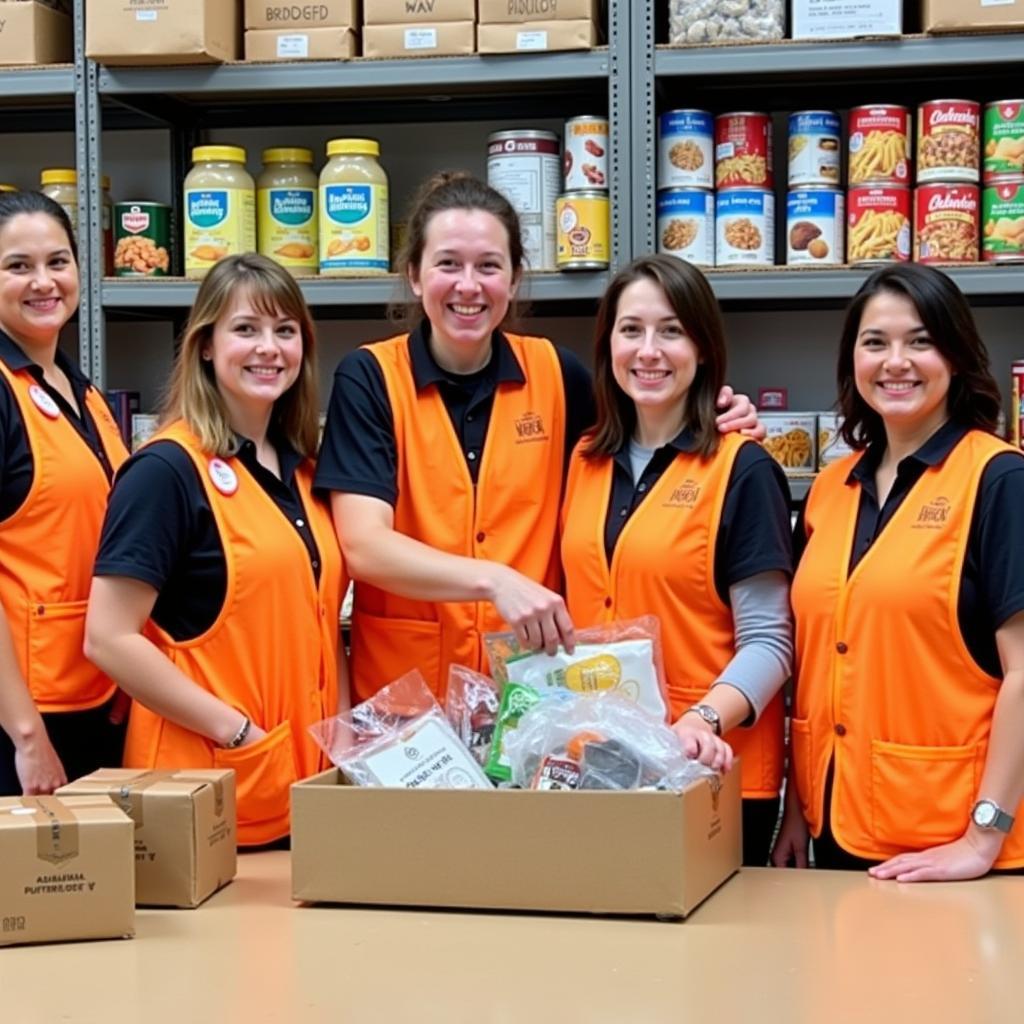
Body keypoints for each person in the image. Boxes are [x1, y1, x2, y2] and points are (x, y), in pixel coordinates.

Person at [316, 172, 760, 704]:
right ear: (414, 275)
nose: (468, 285)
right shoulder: (370, 378)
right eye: (447, 264)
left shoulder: (559, 374)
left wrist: (720, 411)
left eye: (488, 266)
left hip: (533, 699)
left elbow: (648, 425)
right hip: (407, 700)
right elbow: (366, 547)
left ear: (514, 277)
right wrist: (495, 580)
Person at [773, 263, 1024, 880]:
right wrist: (799, 812)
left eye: (921, 341)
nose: (896, 362)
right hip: (835, 827)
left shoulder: (998, 479)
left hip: (948, 844)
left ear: (957, 356)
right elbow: (821, 662)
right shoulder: (833, 487)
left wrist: (983, 837)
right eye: (875, 342)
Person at [85, 253, 346, 847]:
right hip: (206, 788)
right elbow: (108, 637)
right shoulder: (166, 471)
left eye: (285, 331)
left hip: (300, 787)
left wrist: (343, 741)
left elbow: (320, 623)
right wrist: (237, 733)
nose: (268, 348)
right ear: (205, 344)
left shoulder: (304, 470)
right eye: (246, 329)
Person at [559, 255, 793, 865]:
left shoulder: (743, 470)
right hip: (601, 758)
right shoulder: (583, 460)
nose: (649, 351)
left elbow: (770, 642)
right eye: (630, 330)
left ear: (704, 347)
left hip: (709, 765)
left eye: (672, 330)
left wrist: (703, 721)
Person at [0, 191, 129, 797]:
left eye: (58, 261)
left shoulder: (82, 393)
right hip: (22, 721)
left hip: (91, 698)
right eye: (18, 266)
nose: (43, 282)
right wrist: (26, 736)